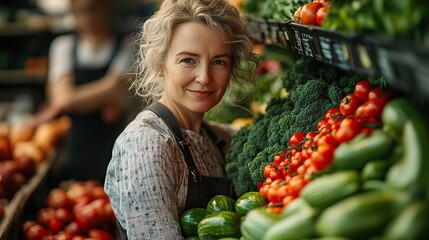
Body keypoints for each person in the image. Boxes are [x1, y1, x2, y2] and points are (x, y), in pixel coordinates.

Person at [103, 0, 258, 239]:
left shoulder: (218, 138)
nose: (204, 77)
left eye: (219, 62)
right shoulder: (147, 144)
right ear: (160, 63)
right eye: (188, 60)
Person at [30, 0, 133, 183]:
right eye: (80, 11)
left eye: (93, 9)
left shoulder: (129, 44)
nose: (87, 17)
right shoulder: (63, 46)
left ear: (107, 7)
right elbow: (62, 99)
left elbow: (114, 88)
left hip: (116, 149)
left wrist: (72, 98)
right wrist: (106, 97)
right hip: (73, 151)